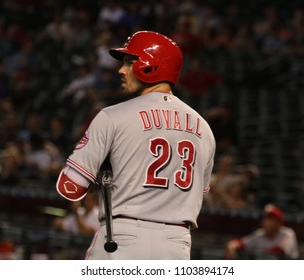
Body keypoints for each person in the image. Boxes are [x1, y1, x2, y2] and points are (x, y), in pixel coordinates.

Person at [56, 30, 216, 260]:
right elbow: (200, 193)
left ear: (151, 67)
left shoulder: (113, 115)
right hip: (177, 245)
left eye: (130, 63)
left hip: (123, 238)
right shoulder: (204, 128)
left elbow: (70, 187)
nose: (121, 70)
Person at [225, 204, 299, 259]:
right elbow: (242, 243)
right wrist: (232, 245)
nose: (266, 221)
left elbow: (280, 251)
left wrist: (261, 251)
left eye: (270, 219)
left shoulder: (287, 233)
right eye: (266, 218)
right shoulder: (260, 234)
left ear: (278, 222)